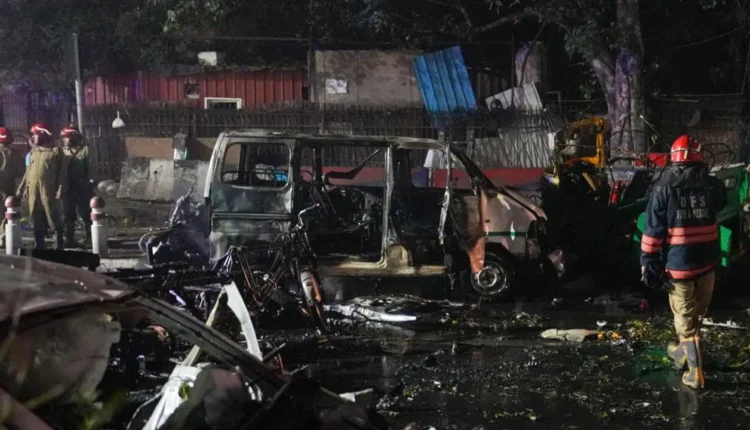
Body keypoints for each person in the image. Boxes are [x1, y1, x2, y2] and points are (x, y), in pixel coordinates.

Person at [640, 134, 726, 390]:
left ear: (674, 158)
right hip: (708, 264)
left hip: (680, 267)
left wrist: (648, 260)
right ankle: (681, 353)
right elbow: (720, 206)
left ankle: (695, 374)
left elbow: (653, 229)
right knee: (697, 313)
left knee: (685, 320)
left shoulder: (663, 187)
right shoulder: (713, 186)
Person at [25, 122, 66, 250]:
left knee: (52, 214)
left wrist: (60, 188)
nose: (33, 137)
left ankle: (58, 244)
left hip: (49, 189)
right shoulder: (33, 152)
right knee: (35, 215)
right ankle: (39, 245)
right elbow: (28, 172)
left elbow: (62, 172)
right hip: (33, 190)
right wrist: (25, 188)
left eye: (35, 134)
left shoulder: (56, 152)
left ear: (43, 135)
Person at [60, 125, 92, 247]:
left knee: (86, 214)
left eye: (66, 137)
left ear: (74, 137)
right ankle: (69, 239)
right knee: (68, 215)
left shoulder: (86, 150)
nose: (64, 140)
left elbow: (91, 168)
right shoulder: (62, 151)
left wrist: (90, 184)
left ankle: (91, 237)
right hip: (67, 188)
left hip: (82, 187)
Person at [0, 127, 25, 246]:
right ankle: (3, 237)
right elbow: (21, 173)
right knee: (6, 213)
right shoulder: (15, 154)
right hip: (8, 188)